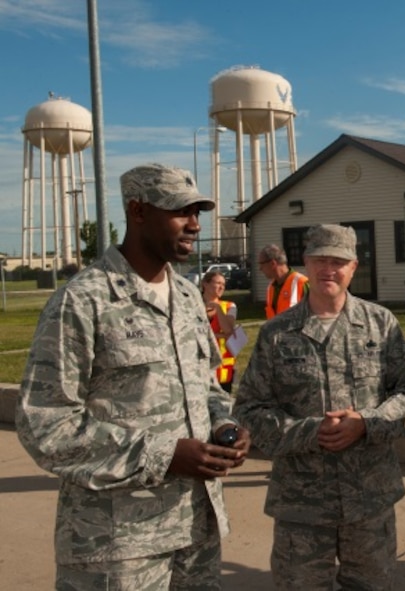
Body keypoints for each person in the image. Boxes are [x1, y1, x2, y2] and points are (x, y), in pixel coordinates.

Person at [17, 163, 251, 590]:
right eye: (182, 212)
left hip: (196, 530)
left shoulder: (185, 295)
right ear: (138, 212)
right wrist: (163, 455)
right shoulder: (83, 301)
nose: (195, 225)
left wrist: (225, 424)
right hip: (117, 544)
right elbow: (45, 425)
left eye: (198, 214)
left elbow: (206, 386)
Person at [233, 224, 405, 590]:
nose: (329, 269)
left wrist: (367, 423)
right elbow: (249, 408)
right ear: (305, 263)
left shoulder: (379, 324)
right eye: (320, 259)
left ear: (354, 267)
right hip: (301, 506)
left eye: (339, 261)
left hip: (369, 500)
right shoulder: (277, 334)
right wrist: (310, 433)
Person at [202, 270, 238, 393]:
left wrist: (217, 308)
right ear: (205, 284)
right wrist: (218, 335)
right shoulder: (194, 305)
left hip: (222, 367)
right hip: (200, 365)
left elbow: (228, 331)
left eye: (223, 284)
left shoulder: (229, 306)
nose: (221, 287)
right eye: (218, 283)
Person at [259, 243, 309, 319]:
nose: (260, 268)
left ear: (273, 263)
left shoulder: (302, 283)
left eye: (261, 264)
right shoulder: (271, 288)